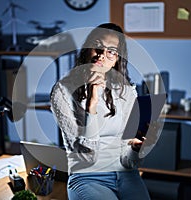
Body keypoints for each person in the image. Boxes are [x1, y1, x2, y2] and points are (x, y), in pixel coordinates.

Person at [50, 23, 151, 200]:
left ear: (117, 59)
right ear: (87, 48)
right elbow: (85, 158)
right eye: (98, 46)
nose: (102, 55)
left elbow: (129, 161)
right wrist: (92, 105)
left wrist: (135, 149)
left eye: (111, 51)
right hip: (87, 176)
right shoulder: (62, 91)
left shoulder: (125, 90)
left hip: (126, 174)